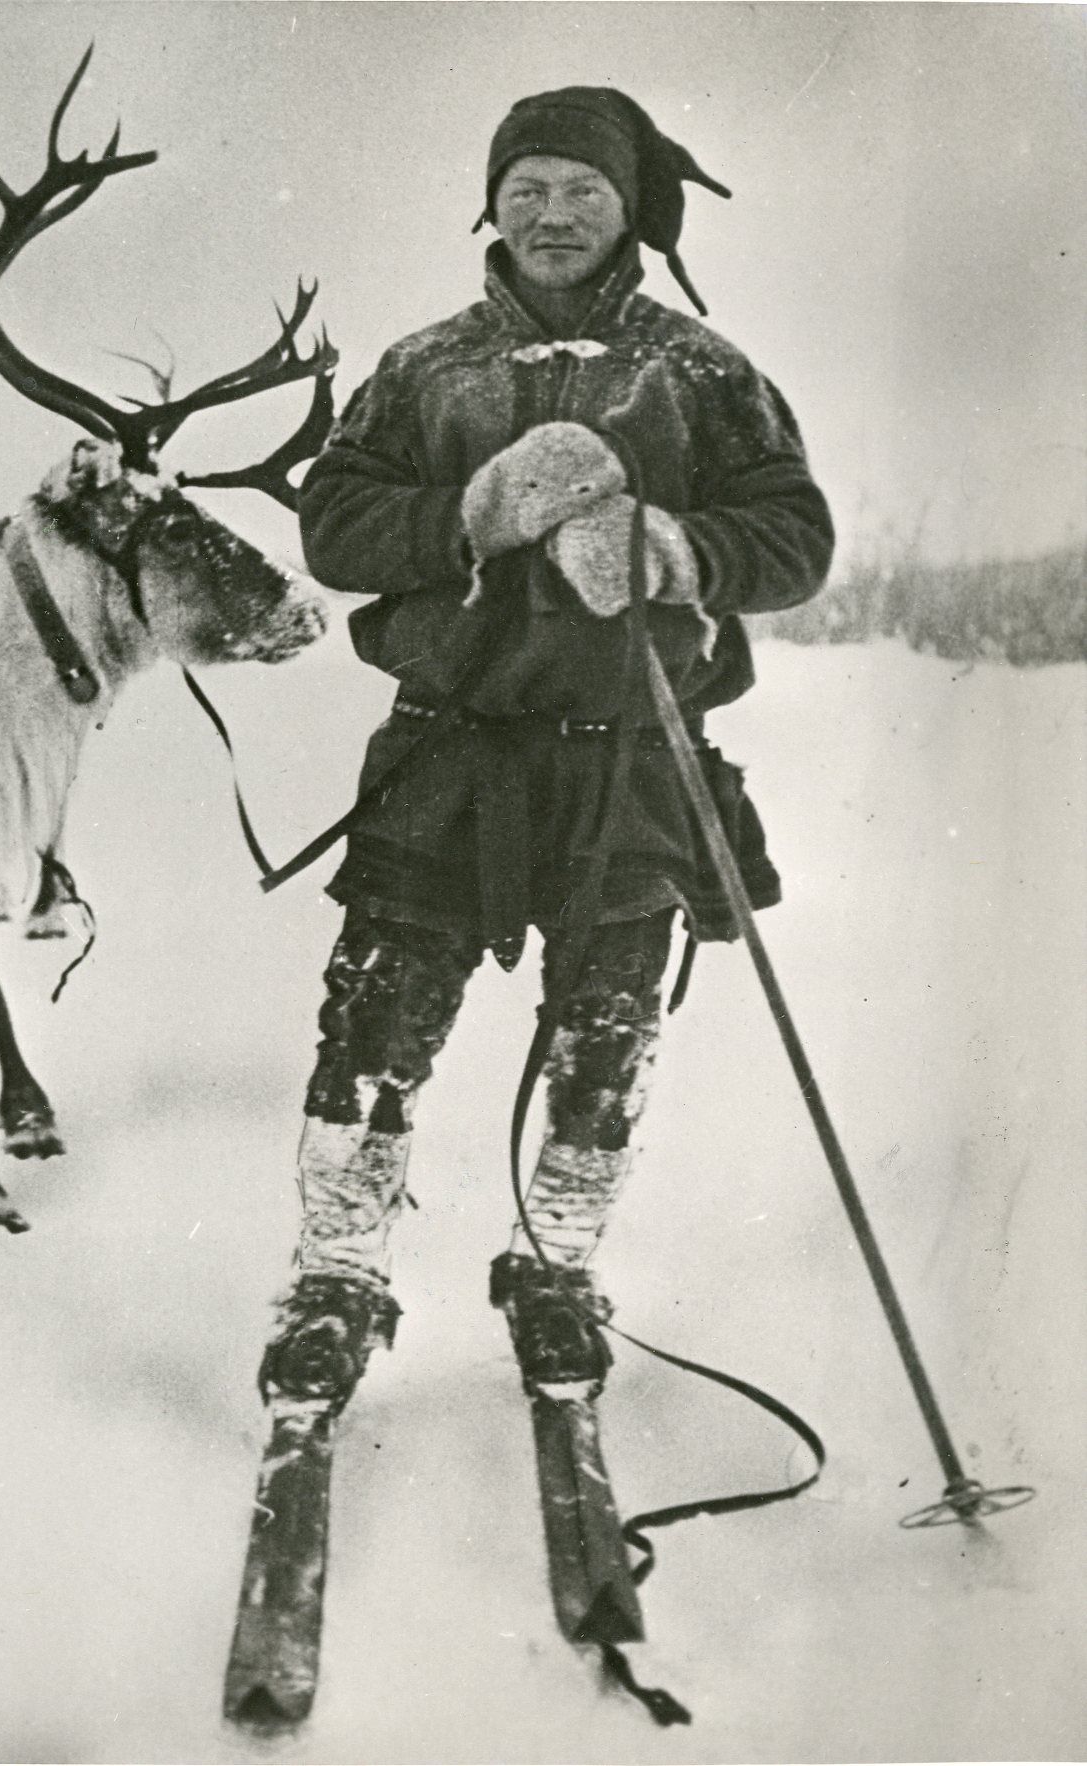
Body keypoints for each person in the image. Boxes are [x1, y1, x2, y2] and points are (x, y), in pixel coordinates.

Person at [257, 87, 834, 1413]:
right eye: (526, 186)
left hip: (630, 754)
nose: (551, 212)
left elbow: (792, 538)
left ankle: (558, 1266)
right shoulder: (423, 368)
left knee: (605, 1034)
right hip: (445, 751)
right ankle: (336, 1274)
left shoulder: (702, 372)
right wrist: (469, 512)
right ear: (490, 202)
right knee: (373, 1021)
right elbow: (332, 526)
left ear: (629, 206)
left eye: (580, 189)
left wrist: (676, 551)